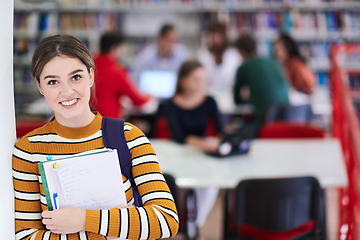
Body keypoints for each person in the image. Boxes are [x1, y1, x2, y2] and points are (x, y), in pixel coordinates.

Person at [12, 35, 178, 240]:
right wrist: (117, 224)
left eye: (76, 77)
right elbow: (26, 236)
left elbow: (166, 220)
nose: (67, 91)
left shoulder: (130, 138)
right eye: (53, 81)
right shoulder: (27, 150)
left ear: (91, 76)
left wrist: (82, 220)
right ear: (39, 86)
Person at [156, 59, 222, 232]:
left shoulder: (210, 102)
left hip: (201, 155)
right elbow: (178, 136)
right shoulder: (170, 104)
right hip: (179, 154)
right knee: (178, 186)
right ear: (183, 81)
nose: (201, 84)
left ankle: (195, 225)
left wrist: (218, 141)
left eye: (204, 79)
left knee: (211, 184)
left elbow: (220, 130)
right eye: (196, 79)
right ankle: (185, 225)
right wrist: (203, 143)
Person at [92, 31, 153, 119]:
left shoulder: (90, 67)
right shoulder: (116, 71)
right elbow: (138, 100)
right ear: (115, 49)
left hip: (91, 121)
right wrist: (148, 96)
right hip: (109, 121)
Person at [233, 33, 289, 123]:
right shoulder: (274, 62)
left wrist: (251, 100)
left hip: (265, 117)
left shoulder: (244, 67)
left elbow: (237, 100)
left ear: (241, 51)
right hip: (286, 114)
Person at [196, 21, 242, 113]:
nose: (216, 41)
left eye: (219, 37)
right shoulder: (202, 54)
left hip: (228, 97)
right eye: (213, 37)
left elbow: (236, 79)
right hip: (207, 97)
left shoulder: (233, 55)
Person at [273, 32, 316, 105]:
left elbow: (305, 88)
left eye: (279, 49)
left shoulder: (294, 64)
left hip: (297, 104)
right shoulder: (286, 64)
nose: (276, 52)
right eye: (275, 49)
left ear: (288, 48)